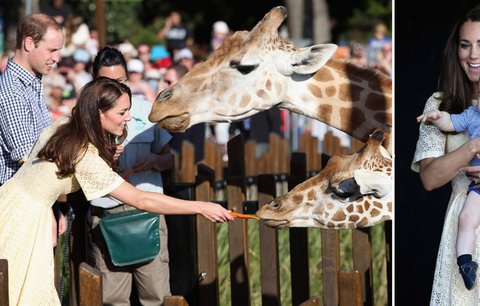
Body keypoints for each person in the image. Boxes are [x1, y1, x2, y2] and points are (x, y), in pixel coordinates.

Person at [0, 77, 234, 306]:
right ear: (99, 113)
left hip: (9, 202)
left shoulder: (64, 127)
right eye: (122, 113)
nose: (129, 118)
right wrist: (202, 207)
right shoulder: (84, 156)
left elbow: (37, 176)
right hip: (26, 222)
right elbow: (141, 199)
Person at [89, 46, 173, 305]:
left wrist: (155, 160)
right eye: (107, 83)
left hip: (148, 212)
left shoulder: (149, 111)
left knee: (156, 296)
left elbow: (170, 159)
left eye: (121, 81)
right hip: (107, 215)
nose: (115, 88)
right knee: (112, 300)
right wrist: (104, 158)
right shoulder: (86, 117)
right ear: (94, 82)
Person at [411, 4, 480, 303]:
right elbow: (429, 178)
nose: (473, 55)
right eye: (466, 45)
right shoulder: (440, 105)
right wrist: (473, 147)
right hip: (463, 225)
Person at [0, 13, 66, 247]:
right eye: (52, 50)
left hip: (35, 205)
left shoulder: (31, 84)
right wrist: (48, 211)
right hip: (20, 212)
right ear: (29, 43)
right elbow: (27, 161)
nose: (57, 58)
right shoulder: (12, 92)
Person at [417, 102, 480, 290]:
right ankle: (465, 263)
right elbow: (452, 123)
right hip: (478, 186)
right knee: (466, 218)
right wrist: (438, 117)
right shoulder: (472, 114)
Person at [161, 63, 206, 163]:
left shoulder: (189, 110)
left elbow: (178, 147)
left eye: (168, 82)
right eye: (164, 81)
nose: (164, 85)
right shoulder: (172, 108)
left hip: (186, 170)